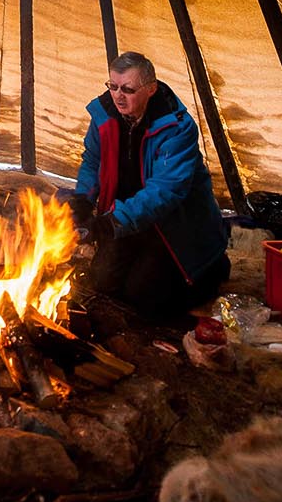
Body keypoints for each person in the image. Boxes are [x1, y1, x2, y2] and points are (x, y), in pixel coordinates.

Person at [70, 51, 228, 321]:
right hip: (128, 216)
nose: (118, 96)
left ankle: (213, 267)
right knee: (103, 283)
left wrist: (113, 222)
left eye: (128, 89)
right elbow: (92, 161)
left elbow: (165, 191)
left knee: (143, 297)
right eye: (113, 86)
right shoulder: (103, 116)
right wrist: (83, 198)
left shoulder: (177, 128)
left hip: (172, 225)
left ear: (151, 89)